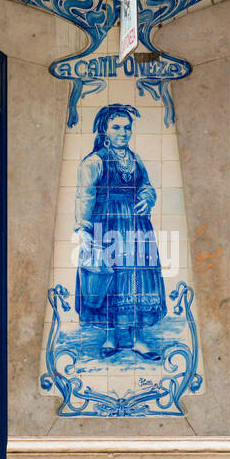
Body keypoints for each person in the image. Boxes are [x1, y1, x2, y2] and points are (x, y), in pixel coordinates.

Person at [73, 103, 166, 361]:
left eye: (127, 128)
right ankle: (111, 338)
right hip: (108, 226)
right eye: (116, 127)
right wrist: (83, 228)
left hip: (136, 227)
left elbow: (146, 186)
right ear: (104, 130)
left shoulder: (135, 160)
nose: (123, 133)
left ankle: (138, 340)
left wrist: (148, 199)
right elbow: (85, 195)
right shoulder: (94, 161)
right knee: (111, 280)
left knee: (136, 280)